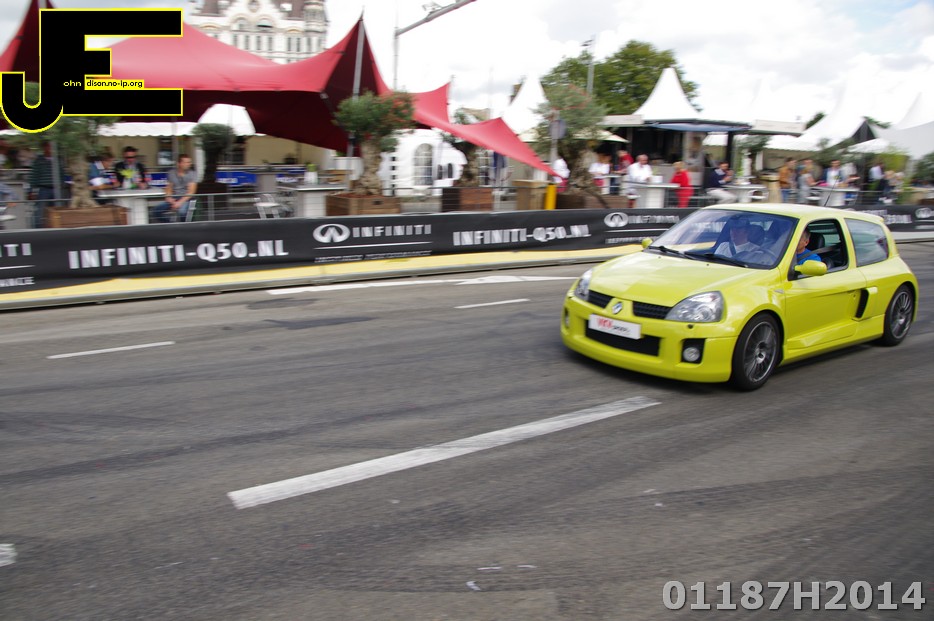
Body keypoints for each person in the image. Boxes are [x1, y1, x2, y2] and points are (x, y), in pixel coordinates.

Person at [27, 140, 66, 229]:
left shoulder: (58, 160)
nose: (50, 149)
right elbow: (34, 176)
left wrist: (63, 185)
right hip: (43, 189)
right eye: (48, 146)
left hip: (57, 189)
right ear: (44, 148)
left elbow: (62, 174)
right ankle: (37, 228)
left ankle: (57, 228)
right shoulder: (38, 160)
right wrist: (31, 191)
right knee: (40, 210)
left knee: (57, 209)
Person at [151, 154, 197, 223]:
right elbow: (169, 188)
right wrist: (169, 198)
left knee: (182, 212)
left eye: (189, 162)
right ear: (179, 163)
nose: (189, 164)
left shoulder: (192, 174)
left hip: (186, 199)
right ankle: (170, 224)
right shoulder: (171, 173)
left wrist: (179, 203)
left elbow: (191, 192)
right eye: (186, 162)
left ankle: (183, 227)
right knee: (156, 211)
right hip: (174, 198)